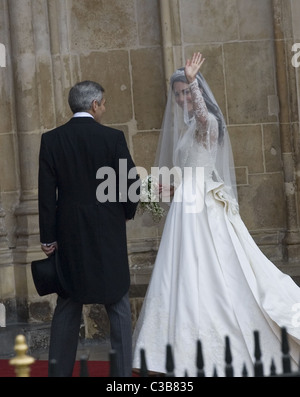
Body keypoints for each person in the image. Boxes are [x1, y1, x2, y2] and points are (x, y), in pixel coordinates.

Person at [132, 53, 300, 377]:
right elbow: (187, 170)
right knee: (178, 274)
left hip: (203, 207)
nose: (183, 98)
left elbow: (207, 123)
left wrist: (193, 81)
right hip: (184, 204)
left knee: (213, 271)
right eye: (179, 93)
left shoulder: (207, 121)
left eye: (187, 92)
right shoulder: (185, 130)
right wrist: (162, 190)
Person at [38, 80, 140, 377]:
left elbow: (47, 195)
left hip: (69, 234)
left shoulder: (52, 140)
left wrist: (48, 237)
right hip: (108, 231)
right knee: (118, 302)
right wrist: (126, 214)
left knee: (68, 302)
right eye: (104, 103)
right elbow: (129, 185)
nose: (104, 109)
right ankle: (121, 378)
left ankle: (58, 373)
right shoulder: (112, 138)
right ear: (94, 105)